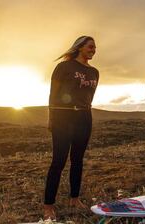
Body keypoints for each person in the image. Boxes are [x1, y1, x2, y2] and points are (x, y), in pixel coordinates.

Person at [44, 36, 99, 220]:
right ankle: (48, 205)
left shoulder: (95, 72)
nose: (93, 50)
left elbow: (88, 97)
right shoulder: (63, 67)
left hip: (84, 116)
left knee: (78, 160)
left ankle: (74, 199)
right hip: (63, 115)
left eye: (95, 47)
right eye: (90, 46)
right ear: (80, 47)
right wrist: (51, 118)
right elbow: (53, 93)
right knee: (58, 161)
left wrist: (85, 114)